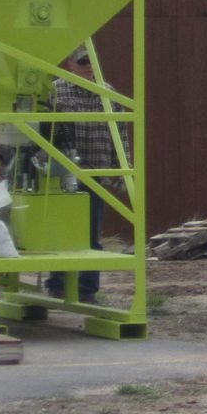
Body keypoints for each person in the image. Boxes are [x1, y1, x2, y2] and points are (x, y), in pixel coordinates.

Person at [45, 44, 131, 304]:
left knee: (92, 233)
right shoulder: (55, 91)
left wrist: (122, 170)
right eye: (83, 62)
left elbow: (121, 133)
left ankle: (87, 289)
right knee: (63, 233)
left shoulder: (108, 93)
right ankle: (58, 284)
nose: (88, 68)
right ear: (69, 64)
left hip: (96, 172)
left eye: (91, 62)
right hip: (64, 176)